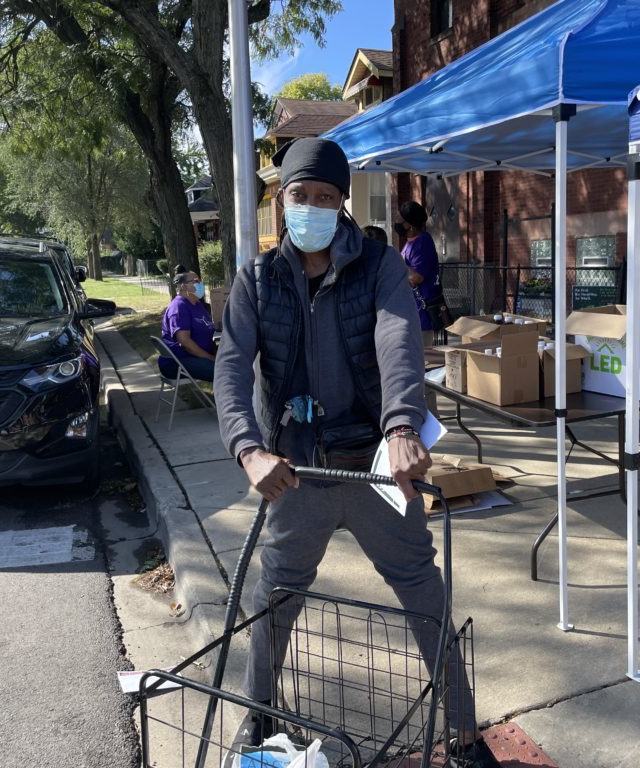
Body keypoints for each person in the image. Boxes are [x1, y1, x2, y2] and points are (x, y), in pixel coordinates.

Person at [214, 137, 501, 768]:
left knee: (424, 590)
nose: (311, 207)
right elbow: (232, 371)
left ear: (341, 202)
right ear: (279, 200)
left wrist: (402, 426)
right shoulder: (256, 281)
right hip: (296, 473)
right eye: (300, 196)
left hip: (375, 466)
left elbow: (399, 340)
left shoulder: (377, 266)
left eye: (324, 196)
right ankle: (257, 721)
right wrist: (248, 450)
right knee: (274, 598)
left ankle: (463, 733)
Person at [395, 200, 445, 345]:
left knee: (421, 359)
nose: (397, 224)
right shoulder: (409, 243)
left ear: (409, 225)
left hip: (423, 314)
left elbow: (417, 277)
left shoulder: (422, 242)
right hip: (411, 311)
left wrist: (397, 261)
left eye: (400, 221)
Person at [158, 266, 216, 382]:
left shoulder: (197, 304)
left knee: (236, 361)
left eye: (200, 281)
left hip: (198, 356)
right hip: (177, 361)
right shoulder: (179, 307)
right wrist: (211, 358)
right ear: (183, 286)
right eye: (196, 282)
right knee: (227, 371)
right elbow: (185, 343)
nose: (200, 284)